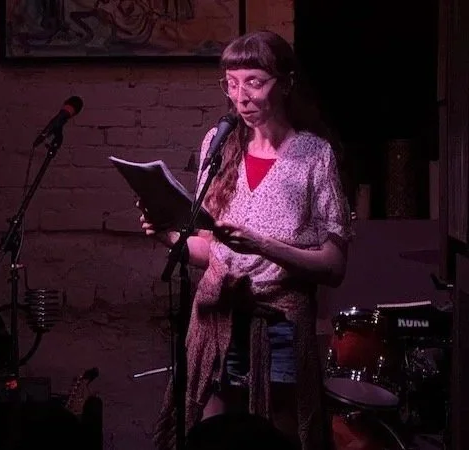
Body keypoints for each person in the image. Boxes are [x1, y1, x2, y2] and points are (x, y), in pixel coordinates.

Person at [137, 30, 353, 450]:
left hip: (280, 328)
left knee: (279, 439)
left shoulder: (313, 155)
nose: (241, 96)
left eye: (254, 82)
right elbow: (211, 251)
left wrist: (264, 246)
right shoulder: (218, 144)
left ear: (286, 83)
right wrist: (168, 236)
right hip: (218, 318)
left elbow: (334, 265)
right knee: (213, 440)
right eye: (232, 84)